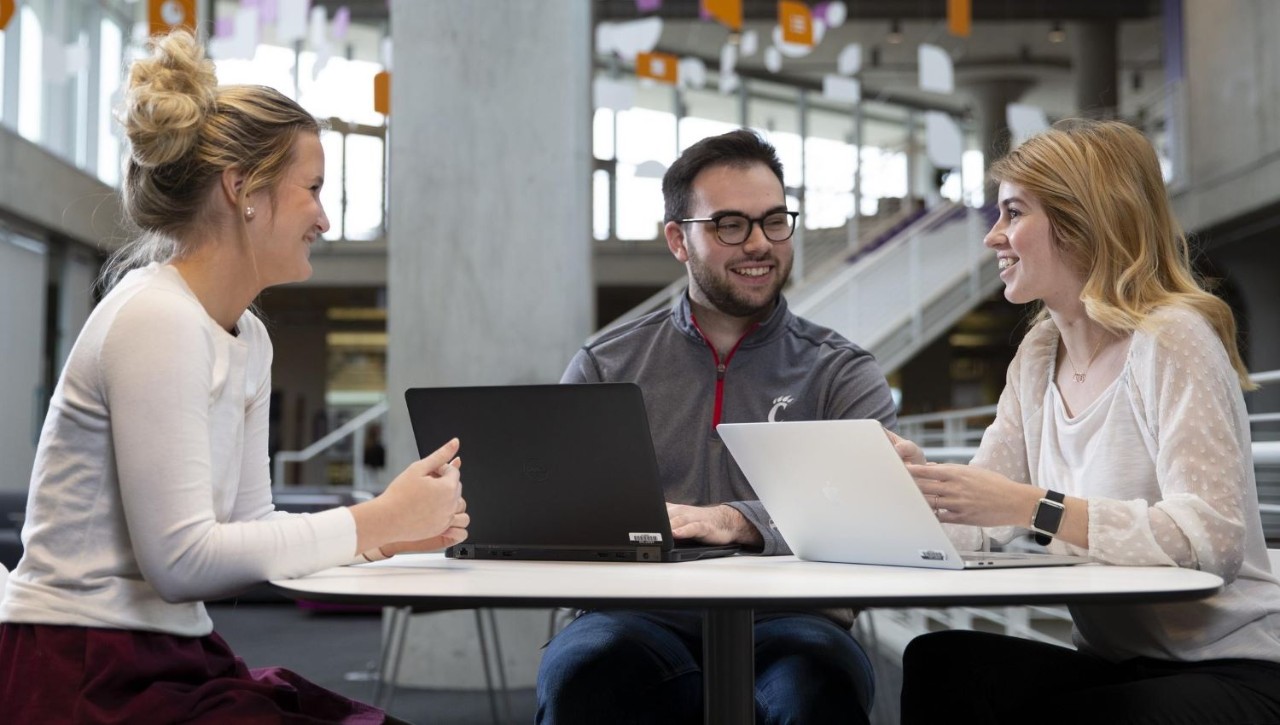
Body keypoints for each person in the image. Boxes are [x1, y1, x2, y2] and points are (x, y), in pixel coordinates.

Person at [0, 30, 468, 724]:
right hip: (82, 662)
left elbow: (250, 531)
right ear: (242, 189)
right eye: (311, 189)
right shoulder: (157, 317)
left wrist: (388, 533)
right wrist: (374, 519)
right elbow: (184, 560)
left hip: (169, 650)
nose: (324, 216)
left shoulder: (248, 336)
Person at [893, 119, 1280, 724]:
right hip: (1121, 662)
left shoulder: (1171, 337)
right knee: (942, 662)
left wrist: (1035, 507)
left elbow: (1212, 540)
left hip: (1233, 667)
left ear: (1079, 224)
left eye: (1013, 213)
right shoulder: (1039, 353)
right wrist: (913, 485)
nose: (992, 237)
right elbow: (977, 524)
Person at [536, 129, 898, 724]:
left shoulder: (842, 370)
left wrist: (734, 522)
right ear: (678, 239)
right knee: (587, 674)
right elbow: (560, 514)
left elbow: (875, 515)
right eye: (730, 225)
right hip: (633, 617)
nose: (759, 243)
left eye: (774, 220)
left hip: (795, 619)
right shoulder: (607, 364)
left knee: (814, 690)